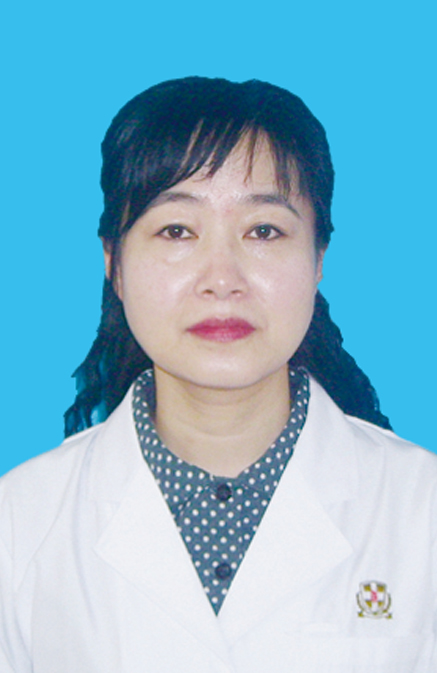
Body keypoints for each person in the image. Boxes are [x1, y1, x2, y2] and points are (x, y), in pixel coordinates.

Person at [0, 77, 435, 672]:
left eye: (264, 231)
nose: (222, 278)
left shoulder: (422, 512)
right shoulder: (20, 522)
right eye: (177, 230)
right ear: (114, 264)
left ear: (319, 260)